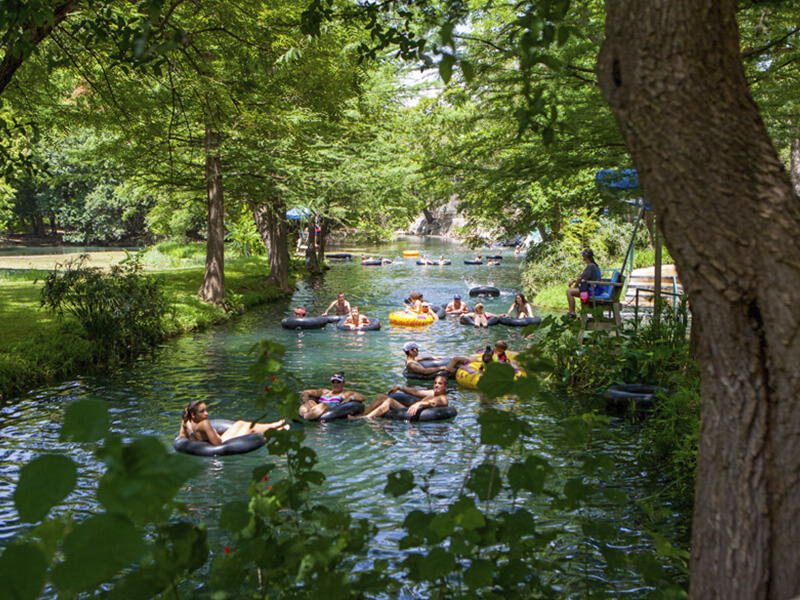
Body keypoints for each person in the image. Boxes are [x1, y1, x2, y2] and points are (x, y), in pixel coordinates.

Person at [178, 401, 287, 444]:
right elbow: (217, 443)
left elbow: (182, 437)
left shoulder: (186, 422)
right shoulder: (204, 424)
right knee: (248, 428)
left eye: (206, 410)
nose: (206, 414)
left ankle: (274, 425)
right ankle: (278, 428)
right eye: (202, 411)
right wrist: (214, 433)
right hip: (224, 441)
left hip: (210, 440)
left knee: (240, 423)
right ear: (193, 414)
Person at [352, 374, 450, 419]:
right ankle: (364, 413)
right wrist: (400, 387)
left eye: (440, 384)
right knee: (381, 396)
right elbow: (416, 392)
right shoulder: (432, 393)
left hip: (410, 413)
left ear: (445, 387)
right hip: (408, 410)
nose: (437, 385)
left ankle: (366, 418)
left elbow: (432, 403)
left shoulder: (443, 398)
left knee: (389, 401)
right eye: (435, 383)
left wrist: (419, 403)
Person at [299, 372, 366, 421]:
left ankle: (306, 418)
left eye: (338, 382)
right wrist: (306, 394)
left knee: (323, 405)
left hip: (328, 410)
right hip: (315, 409)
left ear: (343, 383)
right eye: (333, 382)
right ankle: (304, 416)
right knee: (310, 402)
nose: (335, 384)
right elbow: (308, 391)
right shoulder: (325, 391)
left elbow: (362, 397)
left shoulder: (344, 394)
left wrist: (351, 398)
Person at [566, 248, 601, 318]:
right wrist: (574, 281)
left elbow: (580, 278)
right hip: (593, 288)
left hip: (593, 290)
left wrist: (575, 286)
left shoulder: (591, 266)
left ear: (585, 256)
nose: (582, 257)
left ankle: (572, 312)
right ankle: (572, 312)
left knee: (569, 291)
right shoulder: (592, 265)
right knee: (571, 291)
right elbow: (585, 278)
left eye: (583, 255)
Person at [402, 342, 469, 376]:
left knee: (456, 361)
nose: (418, 350)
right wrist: (442, 368)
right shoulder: (410, 364)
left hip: (440, 369)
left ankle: (471, 362)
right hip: (440, 372)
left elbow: (419, 359)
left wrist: (431, 357)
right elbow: (425, 371)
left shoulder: (411, 360)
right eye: (416, 349)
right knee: (456, 359)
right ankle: (475, 361)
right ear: (411, 351)